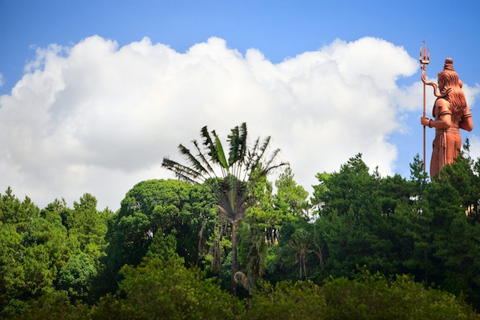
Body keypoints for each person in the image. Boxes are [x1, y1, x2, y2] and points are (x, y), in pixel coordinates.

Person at [421, 58, 473, 178]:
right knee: (452, 170)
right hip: (456, 137)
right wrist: (456, 122)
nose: (438, 85)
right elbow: (469, 126)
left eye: (439, 82)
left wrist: (429, 123)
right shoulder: (461, 102)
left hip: (443, 137)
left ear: (444, 82)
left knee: (439, 173)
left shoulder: (442, 101)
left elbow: (445, 122)